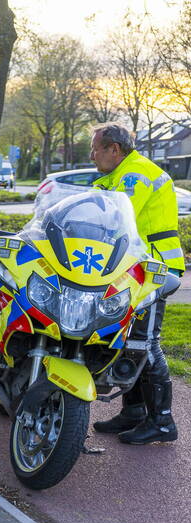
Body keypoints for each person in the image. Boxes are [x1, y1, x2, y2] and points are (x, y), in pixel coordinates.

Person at [89, 122, 184, 444]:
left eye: (96, 148)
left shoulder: (134, 175)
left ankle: (162, 421)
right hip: (138, 268)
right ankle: (134, 412)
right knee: (131, 338)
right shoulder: (122, 172)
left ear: (113, 149)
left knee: (146, 341)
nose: (92, 155)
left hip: (154, 269)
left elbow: (116, 218)